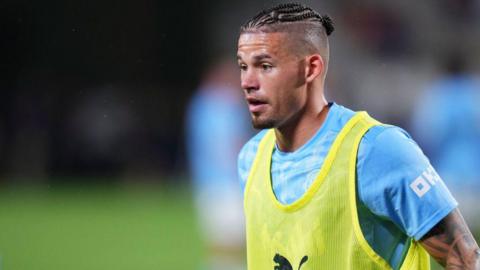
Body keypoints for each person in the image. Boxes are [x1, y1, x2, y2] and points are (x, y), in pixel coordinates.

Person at [236, 3, 480, 270]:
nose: (247, 81)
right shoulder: (251, 159)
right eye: (243, 66)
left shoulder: (376, 151)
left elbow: (465, 258)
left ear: (311, 68)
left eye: (265, 66)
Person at [186, 57, 251, 269]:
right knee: (232, 243)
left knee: (220, 243)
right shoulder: (226, 105)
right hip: (228, 181)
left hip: (206, 181)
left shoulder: (199, 104)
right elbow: (232, 144)